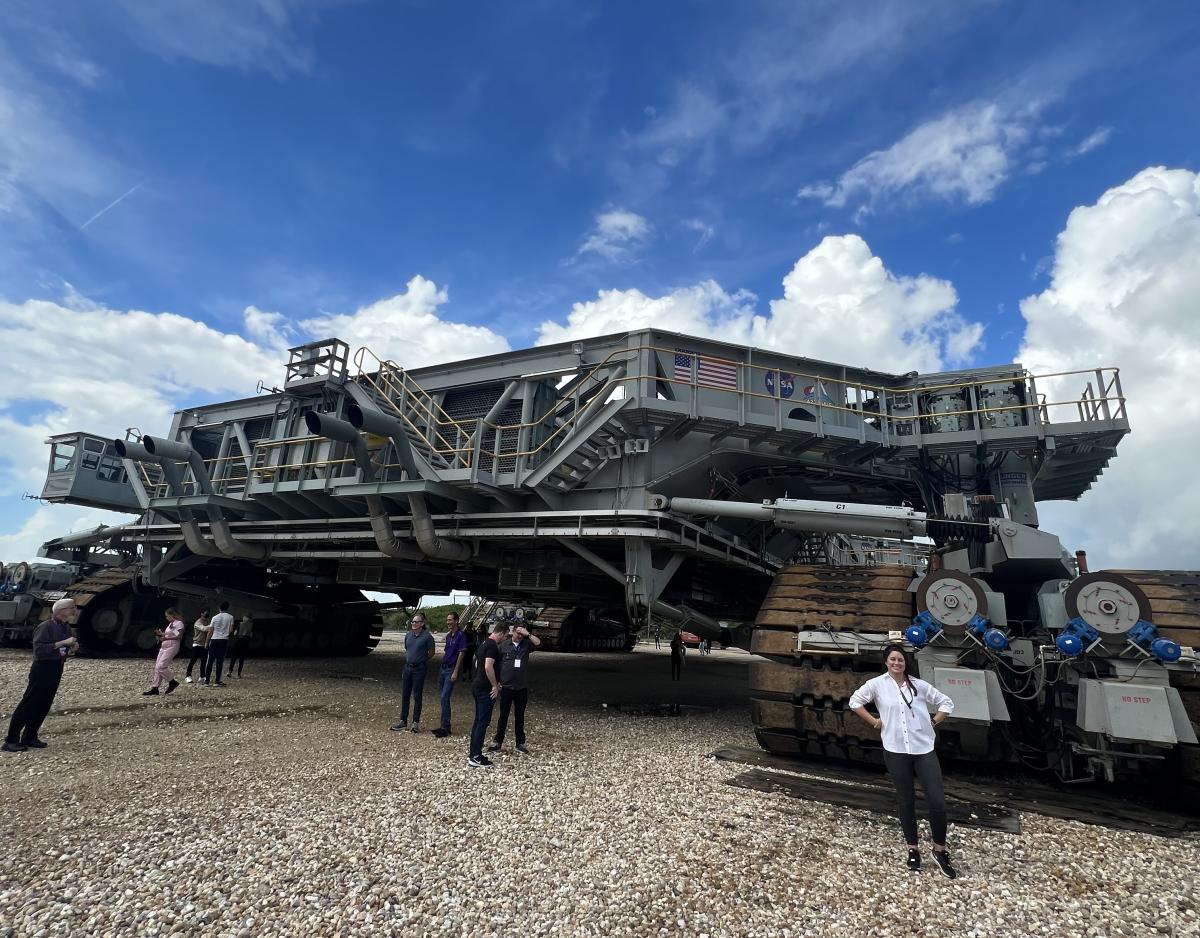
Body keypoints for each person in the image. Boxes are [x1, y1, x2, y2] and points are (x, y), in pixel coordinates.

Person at [849, 644, 956, 878]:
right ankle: (912, 849)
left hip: (923, 748)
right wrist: (875, 722)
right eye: (893, 660)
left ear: (906, 662)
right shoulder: (877, 685)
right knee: (906, 800)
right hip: (896, 749)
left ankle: (940, 850)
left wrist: (934, 721)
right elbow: (855, 701)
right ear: (886, 661)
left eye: (901, 660)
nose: (897, 663)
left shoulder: (918, 685)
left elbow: (946, 702)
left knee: (937, 800)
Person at [4, 598, 80, 752]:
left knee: (44, 703)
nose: (74, 610)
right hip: (42, 668)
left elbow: (64, 649)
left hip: (56, 667)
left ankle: (30, 736)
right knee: (29, 702)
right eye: (72, 608)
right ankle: (11, 740)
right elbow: (39, 651)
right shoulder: (45, 627)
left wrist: (72, 648)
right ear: (62, 610)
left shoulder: (66, 627)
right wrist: (63, 643)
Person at [489, 623, 542, 754]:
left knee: (520, 716)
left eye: (521, 633)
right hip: (506, 687)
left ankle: (520, 743)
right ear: (512, 632)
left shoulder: (526, 644)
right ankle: (497, 742)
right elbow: (495, 663)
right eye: (517, 633)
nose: (519, 636)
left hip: (521, 687)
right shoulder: (504, 645)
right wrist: (497, 681)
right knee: (503, 715)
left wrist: (527, 634)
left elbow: (539, 644)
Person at [468, 623, 507, 767]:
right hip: (485, 689)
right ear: (501, 633)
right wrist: (494, 685)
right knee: (482, 722)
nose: (505, 638)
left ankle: (474, 753)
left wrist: (495, 681)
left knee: (478, 721)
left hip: (478, 685)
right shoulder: (492, 646)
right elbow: (487, 666)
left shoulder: (483, 643)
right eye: (506, 635)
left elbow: (477, 663)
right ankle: (476, 757)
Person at [391, 612, 435, 733]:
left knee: (417, 696)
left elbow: (431, 652)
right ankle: (402, 721)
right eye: (413, 622)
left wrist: (421, 660)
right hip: (407, 668)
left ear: (422, 624)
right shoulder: (408, 635)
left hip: (419, 669)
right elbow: (407, 648)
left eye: (416, 622)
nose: (414, 624)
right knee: (405, 695)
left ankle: (415, 722)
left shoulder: (427, 637)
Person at [434, 612, 468, 739]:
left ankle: (446, 728)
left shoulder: (460, 635)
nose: (448, 622)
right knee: (443, 698)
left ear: (456, 621)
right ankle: (443, 725)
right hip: (443, 668)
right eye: (447, 620)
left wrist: (456, 671)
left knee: (444, 697)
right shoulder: (449, 636)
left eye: (450, 620)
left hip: (451, 669)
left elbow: (461, 653)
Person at [143, 609, 185, 696]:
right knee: (157, 667)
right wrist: (161, 634)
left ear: (172, 615)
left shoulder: (179, 623)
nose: (166, 618)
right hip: (164, 646)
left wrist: (166, 638)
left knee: (161, 666)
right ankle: (155, 688)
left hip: (172, 646)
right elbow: (171, 634)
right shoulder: (171, 624)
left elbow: (179, 636)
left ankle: (172, 681)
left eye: (167, 616)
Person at [203, 601, 235, 686]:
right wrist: (225, 633)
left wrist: (206, 642)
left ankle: (207, 681)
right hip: (223, 640)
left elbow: (210, 631)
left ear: (219, 608)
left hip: (214, 640)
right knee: (219, 661)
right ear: (227, 608)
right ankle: (217, 681)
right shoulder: (230, 617)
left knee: (210, 661)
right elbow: (231, 630)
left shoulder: (214, 617)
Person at [185, 610, 212, 683]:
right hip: (197, 644)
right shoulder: (198, 622)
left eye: (208, 613)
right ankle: (188, 676)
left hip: (205, 644)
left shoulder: (208, 621)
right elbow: (204, 628)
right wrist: (213, 625)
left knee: (204, 661)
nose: (207, 614)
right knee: (193, 660)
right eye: (205, 613)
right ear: (201, 613)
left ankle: (202, 676)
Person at [228, 614, 254, 678]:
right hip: (245, 643)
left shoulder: (240, 624)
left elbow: (235, 633)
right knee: (241, 659)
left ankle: (229, 672)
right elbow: (251, 635)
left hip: (237, 642)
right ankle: (239, 674)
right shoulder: (251, 625)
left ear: (245, 618)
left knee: (233, 657)